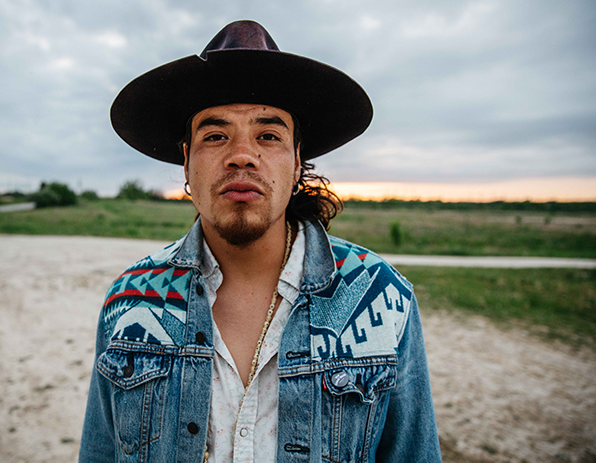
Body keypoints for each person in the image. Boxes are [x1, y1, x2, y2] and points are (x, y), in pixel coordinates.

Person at [80, 20, 441, 463]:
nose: (242, 155)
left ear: (296, 164)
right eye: (215, 136)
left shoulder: (382, 299)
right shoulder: (129, 301)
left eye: (268, 135)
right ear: (187, 164)